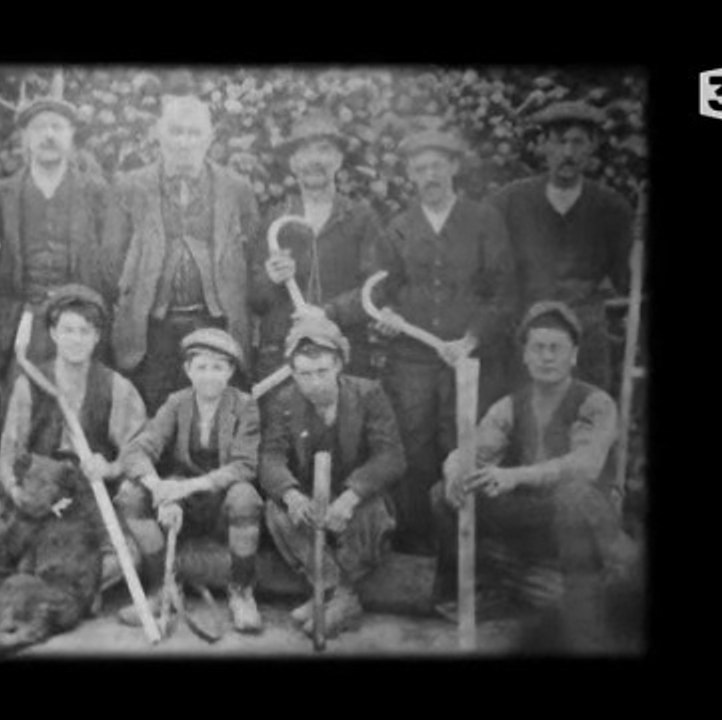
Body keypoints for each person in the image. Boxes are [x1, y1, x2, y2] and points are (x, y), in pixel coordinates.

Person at [429, 301, 639, 650]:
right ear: (525, 356)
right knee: (444, 493)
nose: (547, 357)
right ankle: (484, 589)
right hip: (537, 515)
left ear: (574, 355)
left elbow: (585, 465)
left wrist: (514, 476)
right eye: (538, 348)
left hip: (585, 516)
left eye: (556, 348)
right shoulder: (509, 406)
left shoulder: (596, 402)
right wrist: (455, 471)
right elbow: (473, 451)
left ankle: (583, 598)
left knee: (574, 494)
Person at [0, 285, 148, 601]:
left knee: (127, 559)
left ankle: (43, 593)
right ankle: (39, 590)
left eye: (85, 331)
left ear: (97, 337)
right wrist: (19, 494)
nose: (76, 339)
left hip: (87, 499)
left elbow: (137, 452)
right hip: (39, 494)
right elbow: (8, 458)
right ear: (54, 334)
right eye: (68, 330)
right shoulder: (29, 384)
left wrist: (109, 468)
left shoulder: (116, 387)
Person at [373, 129, 515, 553]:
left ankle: (464, 548)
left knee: (464, 444)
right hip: (412, 361)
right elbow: (383, 290)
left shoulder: (484, 220)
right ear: (409, 175)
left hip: (469, 358)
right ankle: (416, 547)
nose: (430, 176)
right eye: (420, 169)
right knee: (413, 445)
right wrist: (387, 315)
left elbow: (503, 292)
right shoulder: (398, 227)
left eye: (437, 166)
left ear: (454, 167)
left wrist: (471, 340)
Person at [107, 86, 261, 411]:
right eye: (176, 131)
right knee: (153, 415)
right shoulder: (131, 187)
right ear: (159, 134)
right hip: (152, 332)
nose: (184, 142)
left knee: (213, 414)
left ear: (209, 137)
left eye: (194, 133)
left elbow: (250, 256)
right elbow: (111, 261)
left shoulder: (236, 189)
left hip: (214, 325)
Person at [259, 316, 404, 638]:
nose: (315, 383)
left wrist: (351, 496)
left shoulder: (369, 394)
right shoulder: (284, 401)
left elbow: (391, 456)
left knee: (371, 508)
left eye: (322, 371)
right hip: (311, 498)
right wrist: (291, 495)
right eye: (305, 375)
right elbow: (270, 458)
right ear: (292, 373)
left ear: (338, 364)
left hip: (358, 501)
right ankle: (335, 593)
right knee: (275, 509)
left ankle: (340, 594)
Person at [113, 327, 264, 633]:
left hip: (220, 504)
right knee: (130, 494)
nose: (209, 376)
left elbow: (244, 466)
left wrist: (187, 487)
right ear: (188, 370)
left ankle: (241, 592)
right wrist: (159, 489)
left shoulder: (245, 405)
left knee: (245, 496)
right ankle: (164, 588)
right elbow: (138, 450)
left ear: (230, 371)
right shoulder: (176, 403)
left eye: (218, 367)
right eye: (201, 367)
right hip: (184, 504)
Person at [488, 101, 635, 396]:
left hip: (586, 337)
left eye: (578, 142)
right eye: (559, 142)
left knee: (588, 412)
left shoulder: (611, 207)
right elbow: (491, 271)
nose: (568, 153)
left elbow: (625, 278)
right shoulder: (510, 202)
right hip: (528, 332)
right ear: (542, 145)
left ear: (592, 146)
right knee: (526, 415)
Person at [0, 96, 115, 395]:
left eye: (57, 127)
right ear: (25, 137)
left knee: (77, 407)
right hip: (22, 319)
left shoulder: (95, 191)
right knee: (18, 401)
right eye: (39, 128)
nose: (48, 135)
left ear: (71, 135)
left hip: (79, 322)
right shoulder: (0, 194)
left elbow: (109, 262)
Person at [251, 110, 384, 381]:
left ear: (338, 160)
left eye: (324, 150)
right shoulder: (275, 219)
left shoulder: (362, 218)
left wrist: (328, 313)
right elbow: (253, 298)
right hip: (283, 358)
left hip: (344, 356)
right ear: (293, 163)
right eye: (304, 152)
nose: (314, 160)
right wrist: (270, 278)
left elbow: (377, 287)